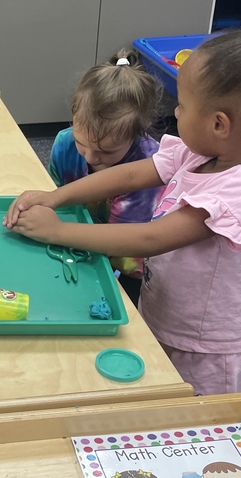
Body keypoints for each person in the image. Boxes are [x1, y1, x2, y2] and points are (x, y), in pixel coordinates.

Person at [5, 1, 241, 395]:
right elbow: (127, 174)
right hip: (166, 313)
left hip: (208, 349)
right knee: (155, 397)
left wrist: (57, 231)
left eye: (182, 104)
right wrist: (55, 197)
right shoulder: (203, 150)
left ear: (218, 124)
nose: (175, 113)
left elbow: (152, 238)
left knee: (192, 423)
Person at [47, 48, 162, 303]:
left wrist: (58, 233)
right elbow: (55, 200)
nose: (89, 157)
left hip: (128, 259)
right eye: (81, 143)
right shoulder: (65, 143)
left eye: (105, 151)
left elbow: (122, 248)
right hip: (76, 241)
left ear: (136, 134)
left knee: (127, 307)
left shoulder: (149, 167)